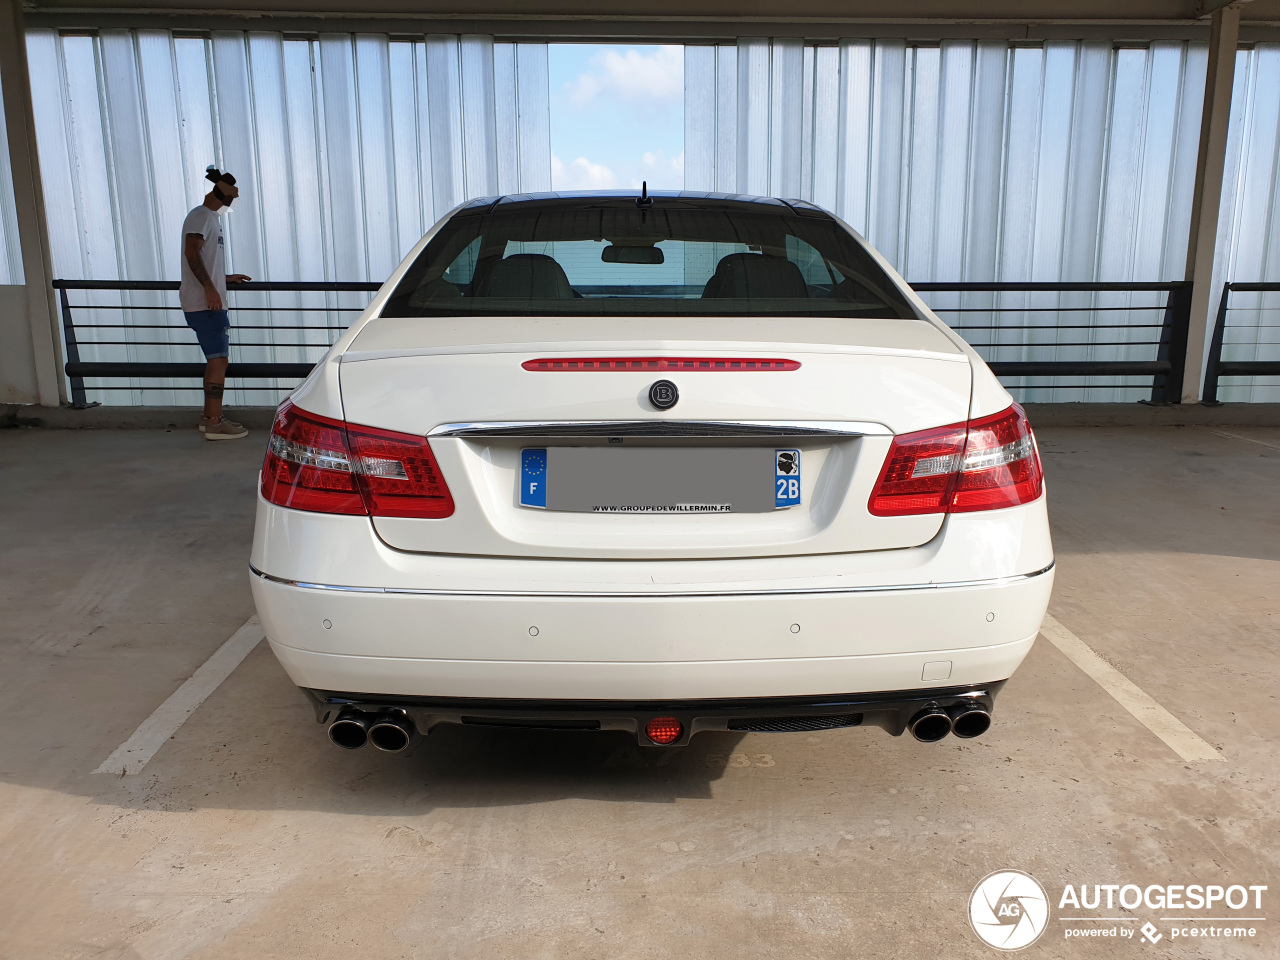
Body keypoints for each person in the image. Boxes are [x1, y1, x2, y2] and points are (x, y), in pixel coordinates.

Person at [181, 167, 252, 440]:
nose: (232, 203)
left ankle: (209, 417)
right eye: (232, 197)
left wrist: (223, 278)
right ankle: (214, 421)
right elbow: (191, 253)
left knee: (216, 360)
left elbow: (202, 259)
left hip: (207, 300)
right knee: (218, 361)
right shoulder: (201, 216)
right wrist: (211, 289)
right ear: (221, 194)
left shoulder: (209, 218)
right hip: (205, 304)